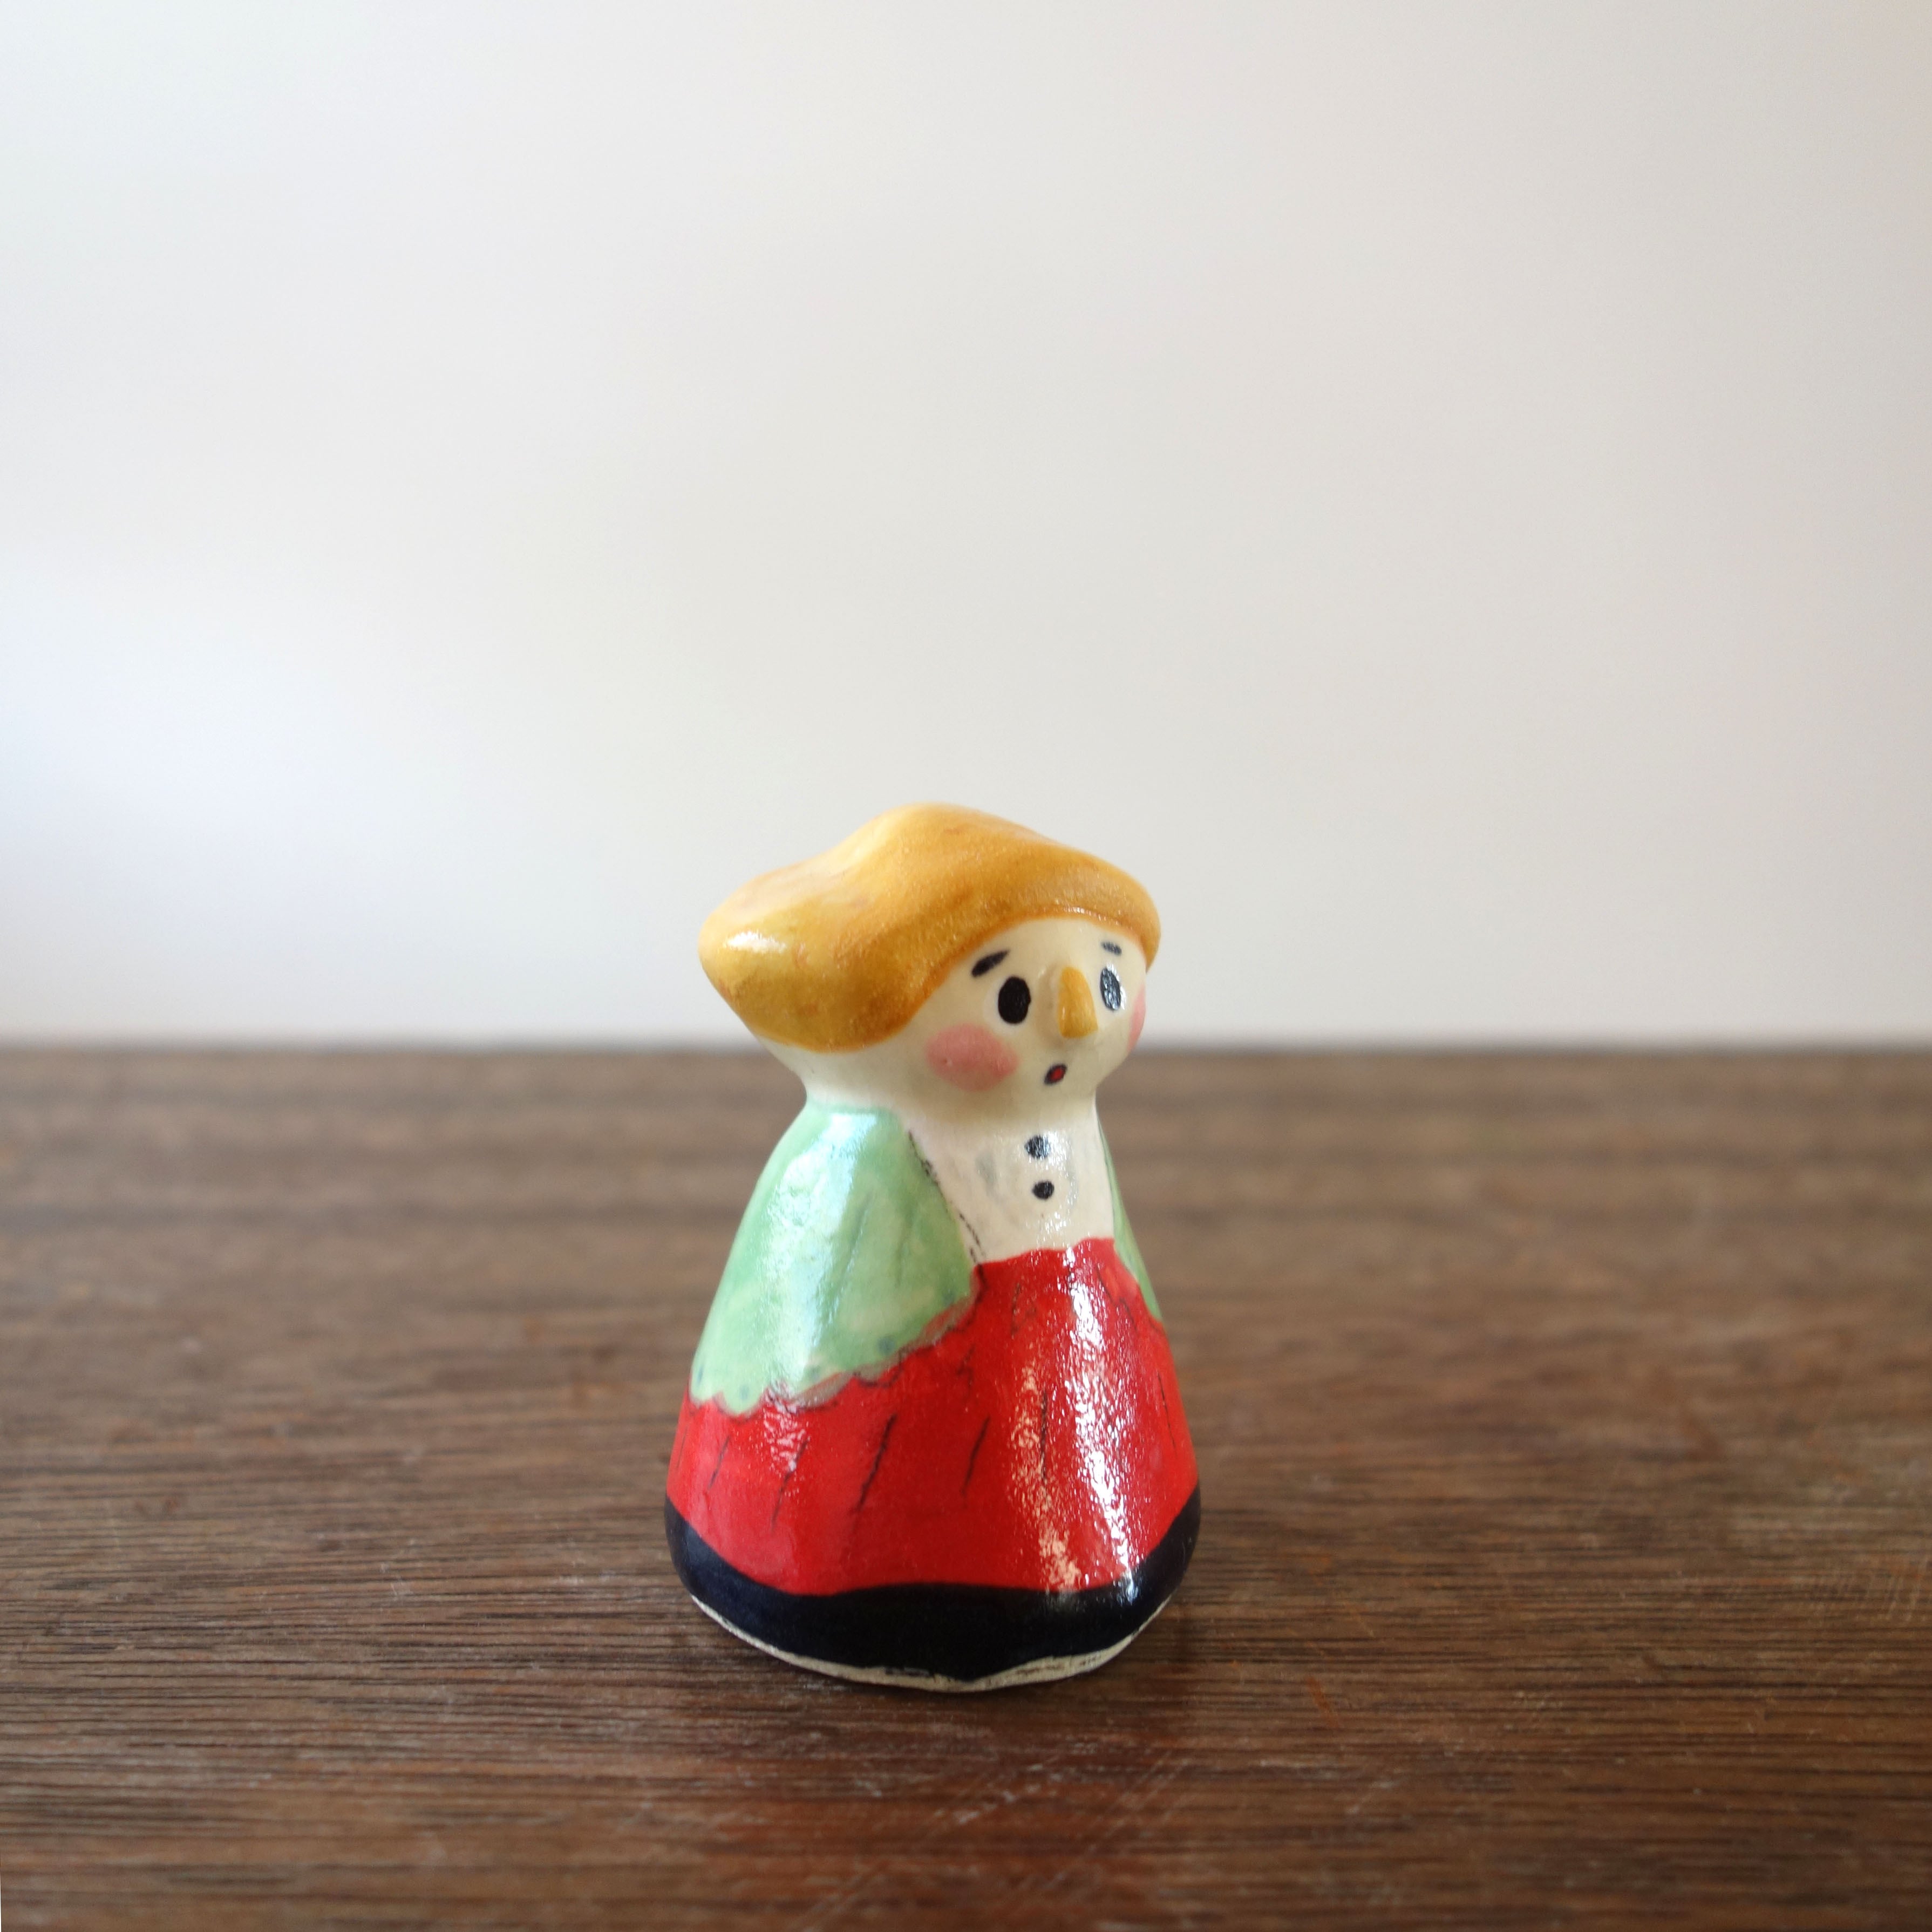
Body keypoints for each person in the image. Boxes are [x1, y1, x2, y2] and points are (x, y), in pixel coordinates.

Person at [666, 803, 1199, 1688]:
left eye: (1110, 984)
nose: (1077, 1021)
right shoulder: (849, 1164)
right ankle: (828, 1580)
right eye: (1011, 998)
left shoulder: (1078, 1134)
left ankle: (1117, 1547)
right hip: (910, 1417)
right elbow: (818, 1343)